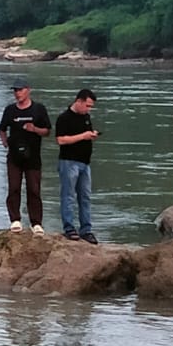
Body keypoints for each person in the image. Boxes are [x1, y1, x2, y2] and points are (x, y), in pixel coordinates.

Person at [0, 79, 52, 234]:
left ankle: (36, 223)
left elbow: (47, 131)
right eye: (15, 90)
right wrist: (4, 142)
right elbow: (2, 128)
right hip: (14, 156)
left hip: (33, 156)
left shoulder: (39, 109)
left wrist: (34, 129)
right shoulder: (10, 110)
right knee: (14, 188)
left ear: (28, 90)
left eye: (20, 90)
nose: (17, 93)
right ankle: (15, 219)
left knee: (34, 190)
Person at [55, 88, 100, 243]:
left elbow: (85, 134)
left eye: (91, 107)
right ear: (79, 101)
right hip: (69, 161)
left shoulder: (86, 117)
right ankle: (69, 228)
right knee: (68, 196)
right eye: (87, 105)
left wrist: (91, 135)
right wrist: (83, 136)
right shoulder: (64, 118)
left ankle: (86, 230)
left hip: (85, 162)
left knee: (85, 197)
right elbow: (61, 140)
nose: (89, 109)